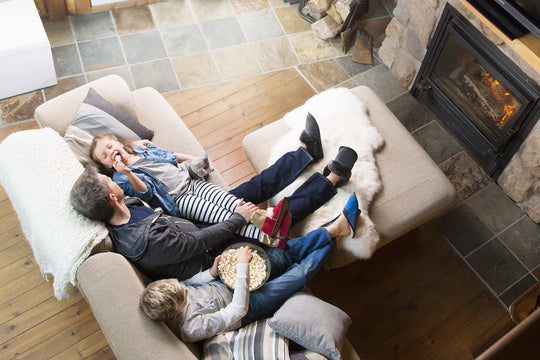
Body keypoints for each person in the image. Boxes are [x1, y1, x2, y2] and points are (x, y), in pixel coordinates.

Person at [88, 113, 358, 249]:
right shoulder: (119, 183)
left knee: (255, 187)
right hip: (189, 217)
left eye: (113, 144)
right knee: (253, 216)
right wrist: (125, 171)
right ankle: (332, 179)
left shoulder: (139, 150)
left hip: (194, 186)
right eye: (105, 155)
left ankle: (306, 152)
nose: (112, 151)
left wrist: (188, 159)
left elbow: (170, 159)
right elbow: (148, 194)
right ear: (105, 169)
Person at [139, 198, 358, 343]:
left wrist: (213, 272)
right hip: (248, 306)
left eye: (181, 286)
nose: (186, 289)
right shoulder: (193, 328)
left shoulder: (179, 289)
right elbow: (236, 310)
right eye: (184, 294)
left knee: (280, 255)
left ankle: (332, 232)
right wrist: (243, 267)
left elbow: (193, 282)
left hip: (228, 283)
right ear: (177, 313)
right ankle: (332, 235)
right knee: (298, 275)